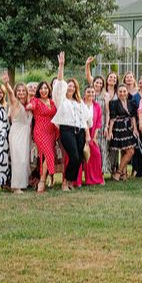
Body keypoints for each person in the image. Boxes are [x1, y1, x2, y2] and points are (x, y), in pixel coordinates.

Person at [51, 52, 90, 191]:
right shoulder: (62, 100)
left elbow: (85, 119)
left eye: (73, 86)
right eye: (69, 85)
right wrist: (61, 66)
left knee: (79, 158)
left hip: (80, 131)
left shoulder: (79, 102)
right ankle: (65, 182)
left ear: (76, 88)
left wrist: (87, 134)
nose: (71, 87)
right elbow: (59, 84)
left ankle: (69, 181)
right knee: (73, 156)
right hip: (67, 130)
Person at [4, 77, 32, 193]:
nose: (21, 93)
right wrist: (7, 84)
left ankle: (23, 183)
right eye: (19, 91)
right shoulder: (15, 103)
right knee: (18, 160)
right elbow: (10, 93)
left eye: (23, 90)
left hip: (26, 135)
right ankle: (16, 187)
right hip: (17, 133)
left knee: (24, 160)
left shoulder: (29, 104)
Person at [109, 83, 140, 181]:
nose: (122, 93)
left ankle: (121, 173)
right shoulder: (113, 103)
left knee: (128, 151)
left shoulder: (131, 102)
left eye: (124, 91)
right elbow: (112, 118)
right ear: (117, 93)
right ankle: (120, 173)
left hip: (128, 129)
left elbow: (133, 117)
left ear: (127, 92)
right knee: (128, 151)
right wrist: (110, 131)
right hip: (119, 128)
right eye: (120, 92)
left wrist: (135, 129)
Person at [81, 86, 105, 186]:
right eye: (88, 92)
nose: (90, 94)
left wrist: (94, 136)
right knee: (84, 155)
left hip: (92, 133)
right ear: (84, 93)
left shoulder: (96, 106)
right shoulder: (81, 104)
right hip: (81, 132)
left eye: (92, 92)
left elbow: (98, 122)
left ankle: (96, 178)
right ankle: (82, 180)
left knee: (96, 155)